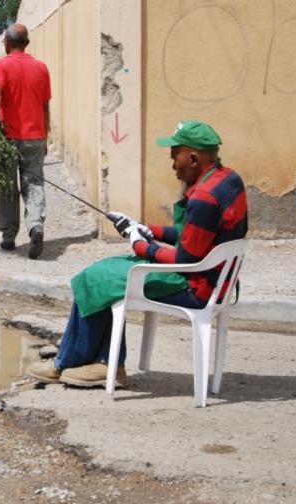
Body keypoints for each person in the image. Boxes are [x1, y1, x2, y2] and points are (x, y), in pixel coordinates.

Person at [26, 120, 248, 386]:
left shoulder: (203, 198)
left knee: (97, 277)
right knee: (106, 271)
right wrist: (145, 229)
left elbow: (186, 259)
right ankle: (100, 362)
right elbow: (194, 236)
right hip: (213, 280)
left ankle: (77, 363)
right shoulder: (228, 180)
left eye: (174, 156)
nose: (172, 166)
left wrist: (140, 245)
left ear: (192, 158)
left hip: (194, 286)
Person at [0, 23, 51, 259]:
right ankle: (35, 227)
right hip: (35, 138)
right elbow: (44, 106)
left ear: (7, 44)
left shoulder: (2, 65)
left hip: (7, 137)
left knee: (7, 186)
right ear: (26, 43)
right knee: (34, 184)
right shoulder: (41, 68)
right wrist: (46, 138)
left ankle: (9, 237)